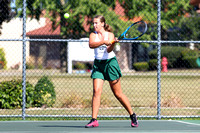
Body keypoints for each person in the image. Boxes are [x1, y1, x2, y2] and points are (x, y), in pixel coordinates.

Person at [85, 15, 138, 128]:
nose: (94, 25)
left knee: (118, 94)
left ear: (102, 24)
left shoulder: (110, 35)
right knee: (96, 91)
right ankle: (94, 119)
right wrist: (103, 41)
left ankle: (132, 115)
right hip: (98, 65)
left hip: (110, 64)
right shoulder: (93, 35)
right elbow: (91, 45)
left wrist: (112, 43)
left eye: (96, 23)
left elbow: (109, 50)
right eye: (93, 23)